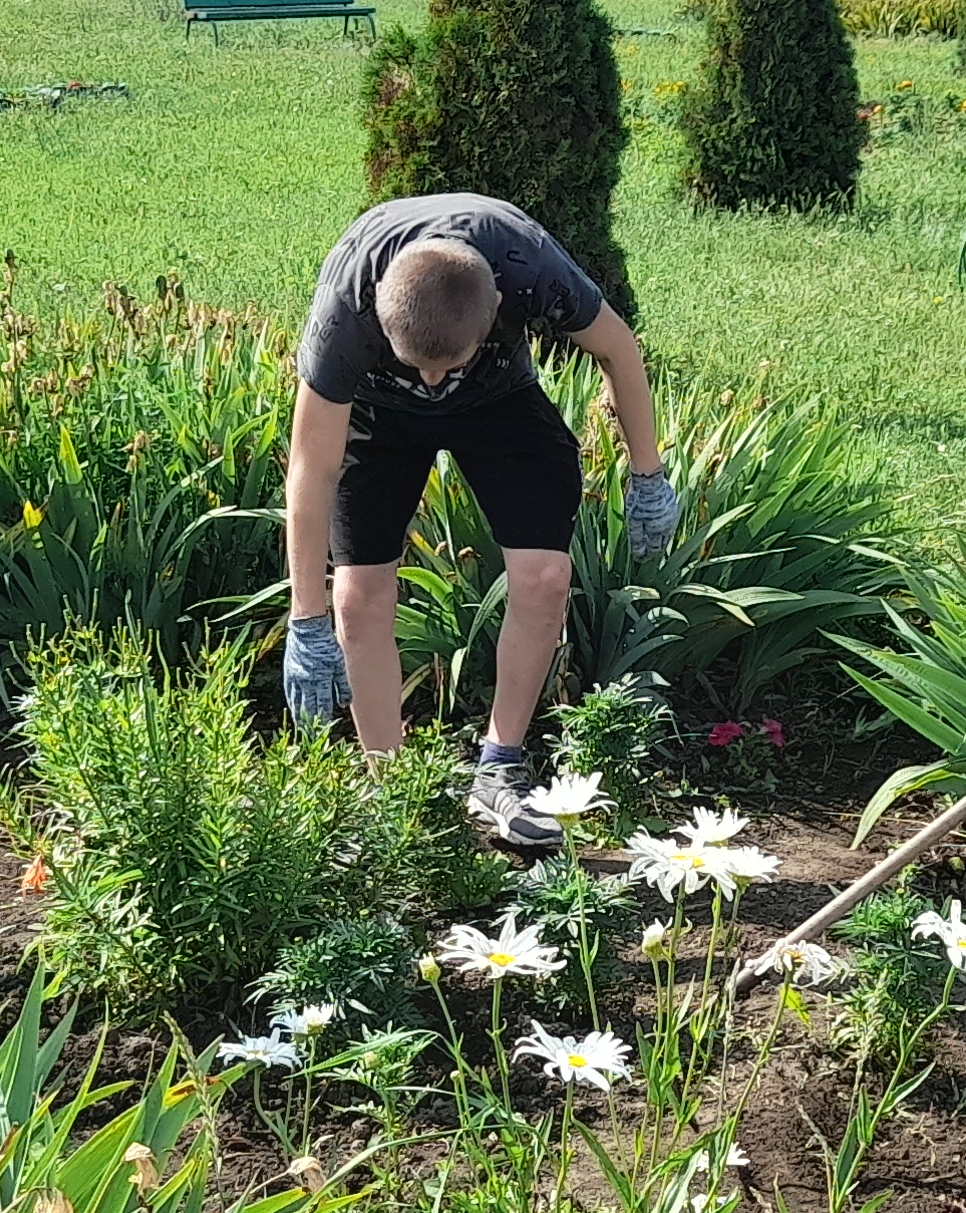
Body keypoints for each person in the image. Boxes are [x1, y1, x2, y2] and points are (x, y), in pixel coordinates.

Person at [279, 194, 679, 850]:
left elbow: (619, 349)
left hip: (498, 396)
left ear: (495, 311)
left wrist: (648, 474)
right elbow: (312, 468)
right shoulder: (345, 314)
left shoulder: (528, 265)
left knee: (546, 576)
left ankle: (500, 766)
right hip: (379, 412)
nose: (434, 382)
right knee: (358, 591)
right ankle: (393, 793)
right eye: (420, 366)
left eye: (447, 365)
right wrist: (305, 617)